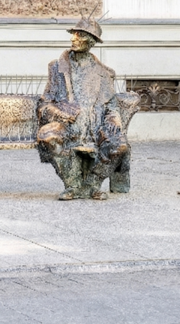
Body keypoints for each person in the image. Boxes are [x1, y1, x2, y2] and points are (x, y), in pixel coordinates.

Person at [36, 16, 138, 200]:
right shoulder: (57, 67)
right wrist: (59, 114)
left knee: (119, 146)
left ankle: (92, 184)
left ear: (91, 41)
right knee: (48, 136)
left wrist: (114, 120)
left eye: (79, 35)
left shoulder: (104, 73)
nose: (73, 38)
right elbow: (44, 103)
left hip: (96, 127)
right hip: (67, 126)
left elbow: (112, 106)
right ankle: (73, 185)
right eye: (74, 34)